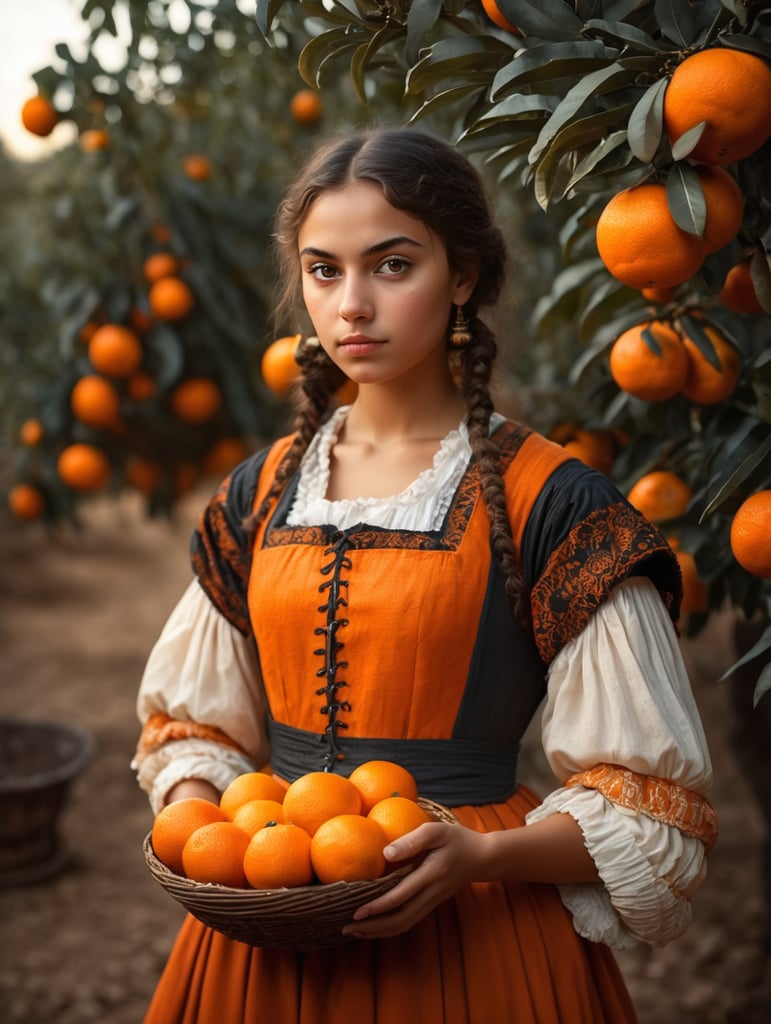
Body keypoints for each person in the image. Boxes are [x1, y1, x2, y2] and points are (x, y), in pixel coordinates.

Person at [132, 126, 716, 1023]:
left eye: (391, 266)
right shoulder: (259, 492)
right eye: (323, 270)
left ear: (465, 277)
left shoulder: (554, 503)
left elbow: (653, 803)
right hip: (262, 926)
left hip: (474, 934)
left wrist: (482, 857)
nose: (351, 305)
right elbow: (192, 723)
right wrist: (206, 825)